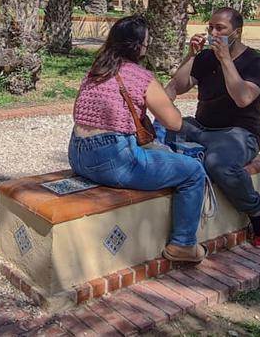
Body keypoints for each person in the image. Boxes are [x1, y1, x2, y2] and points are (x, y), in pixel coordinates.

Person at [69, 15, 210, 263]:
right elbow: (173, 122)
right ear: (138, 46)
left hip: (79, 155)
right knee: (193, 172)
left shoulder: (97, 70)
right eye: (147, 41)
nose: (148, 45)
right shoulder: (139, 76)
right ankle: (184, 245)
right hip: (113, 161)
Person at [165, 7, 260, 249]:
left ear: (237, 31)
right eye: (211, 27)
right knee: (163, 130)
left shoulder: (256, 62)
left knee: (219, 165)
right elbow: (178, 85)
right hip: (201, 127)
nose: (213, 32)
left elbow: (243, 98)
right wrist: (192, 56)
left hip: (239, 134)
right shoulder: (206, 58)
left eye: (220, 28)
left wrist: (226, 59)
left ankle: (257, 211)